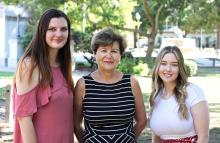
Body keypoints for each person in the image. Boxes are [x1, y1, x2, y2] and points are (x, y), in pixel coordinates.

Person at [74, 28, 147, 143]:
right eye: (104, 50)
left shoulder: (131, 82)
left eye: (114, 51)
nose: (109, 55)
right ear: (95, 53)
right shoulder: (83, 84)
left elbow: (142, 121)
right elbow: (76, 124)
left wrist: (128, 139)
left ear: (120, 55)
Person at [12, 8, 74, 143]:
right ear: (42, 32)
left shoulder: (64, 66)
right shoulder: (30, 65)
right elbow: (24, 118)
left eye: (64, 29)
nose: (59, 34)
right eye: (52, 29)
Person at [149, 46, 209, 143]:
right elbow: (156, 139)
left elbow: (203, 137)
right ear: (158, 66)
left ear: (180, 68)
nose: (168, 69)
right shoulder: (156, 96)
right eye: (163, 63)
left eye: (174, 65)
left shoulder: (193, 92)